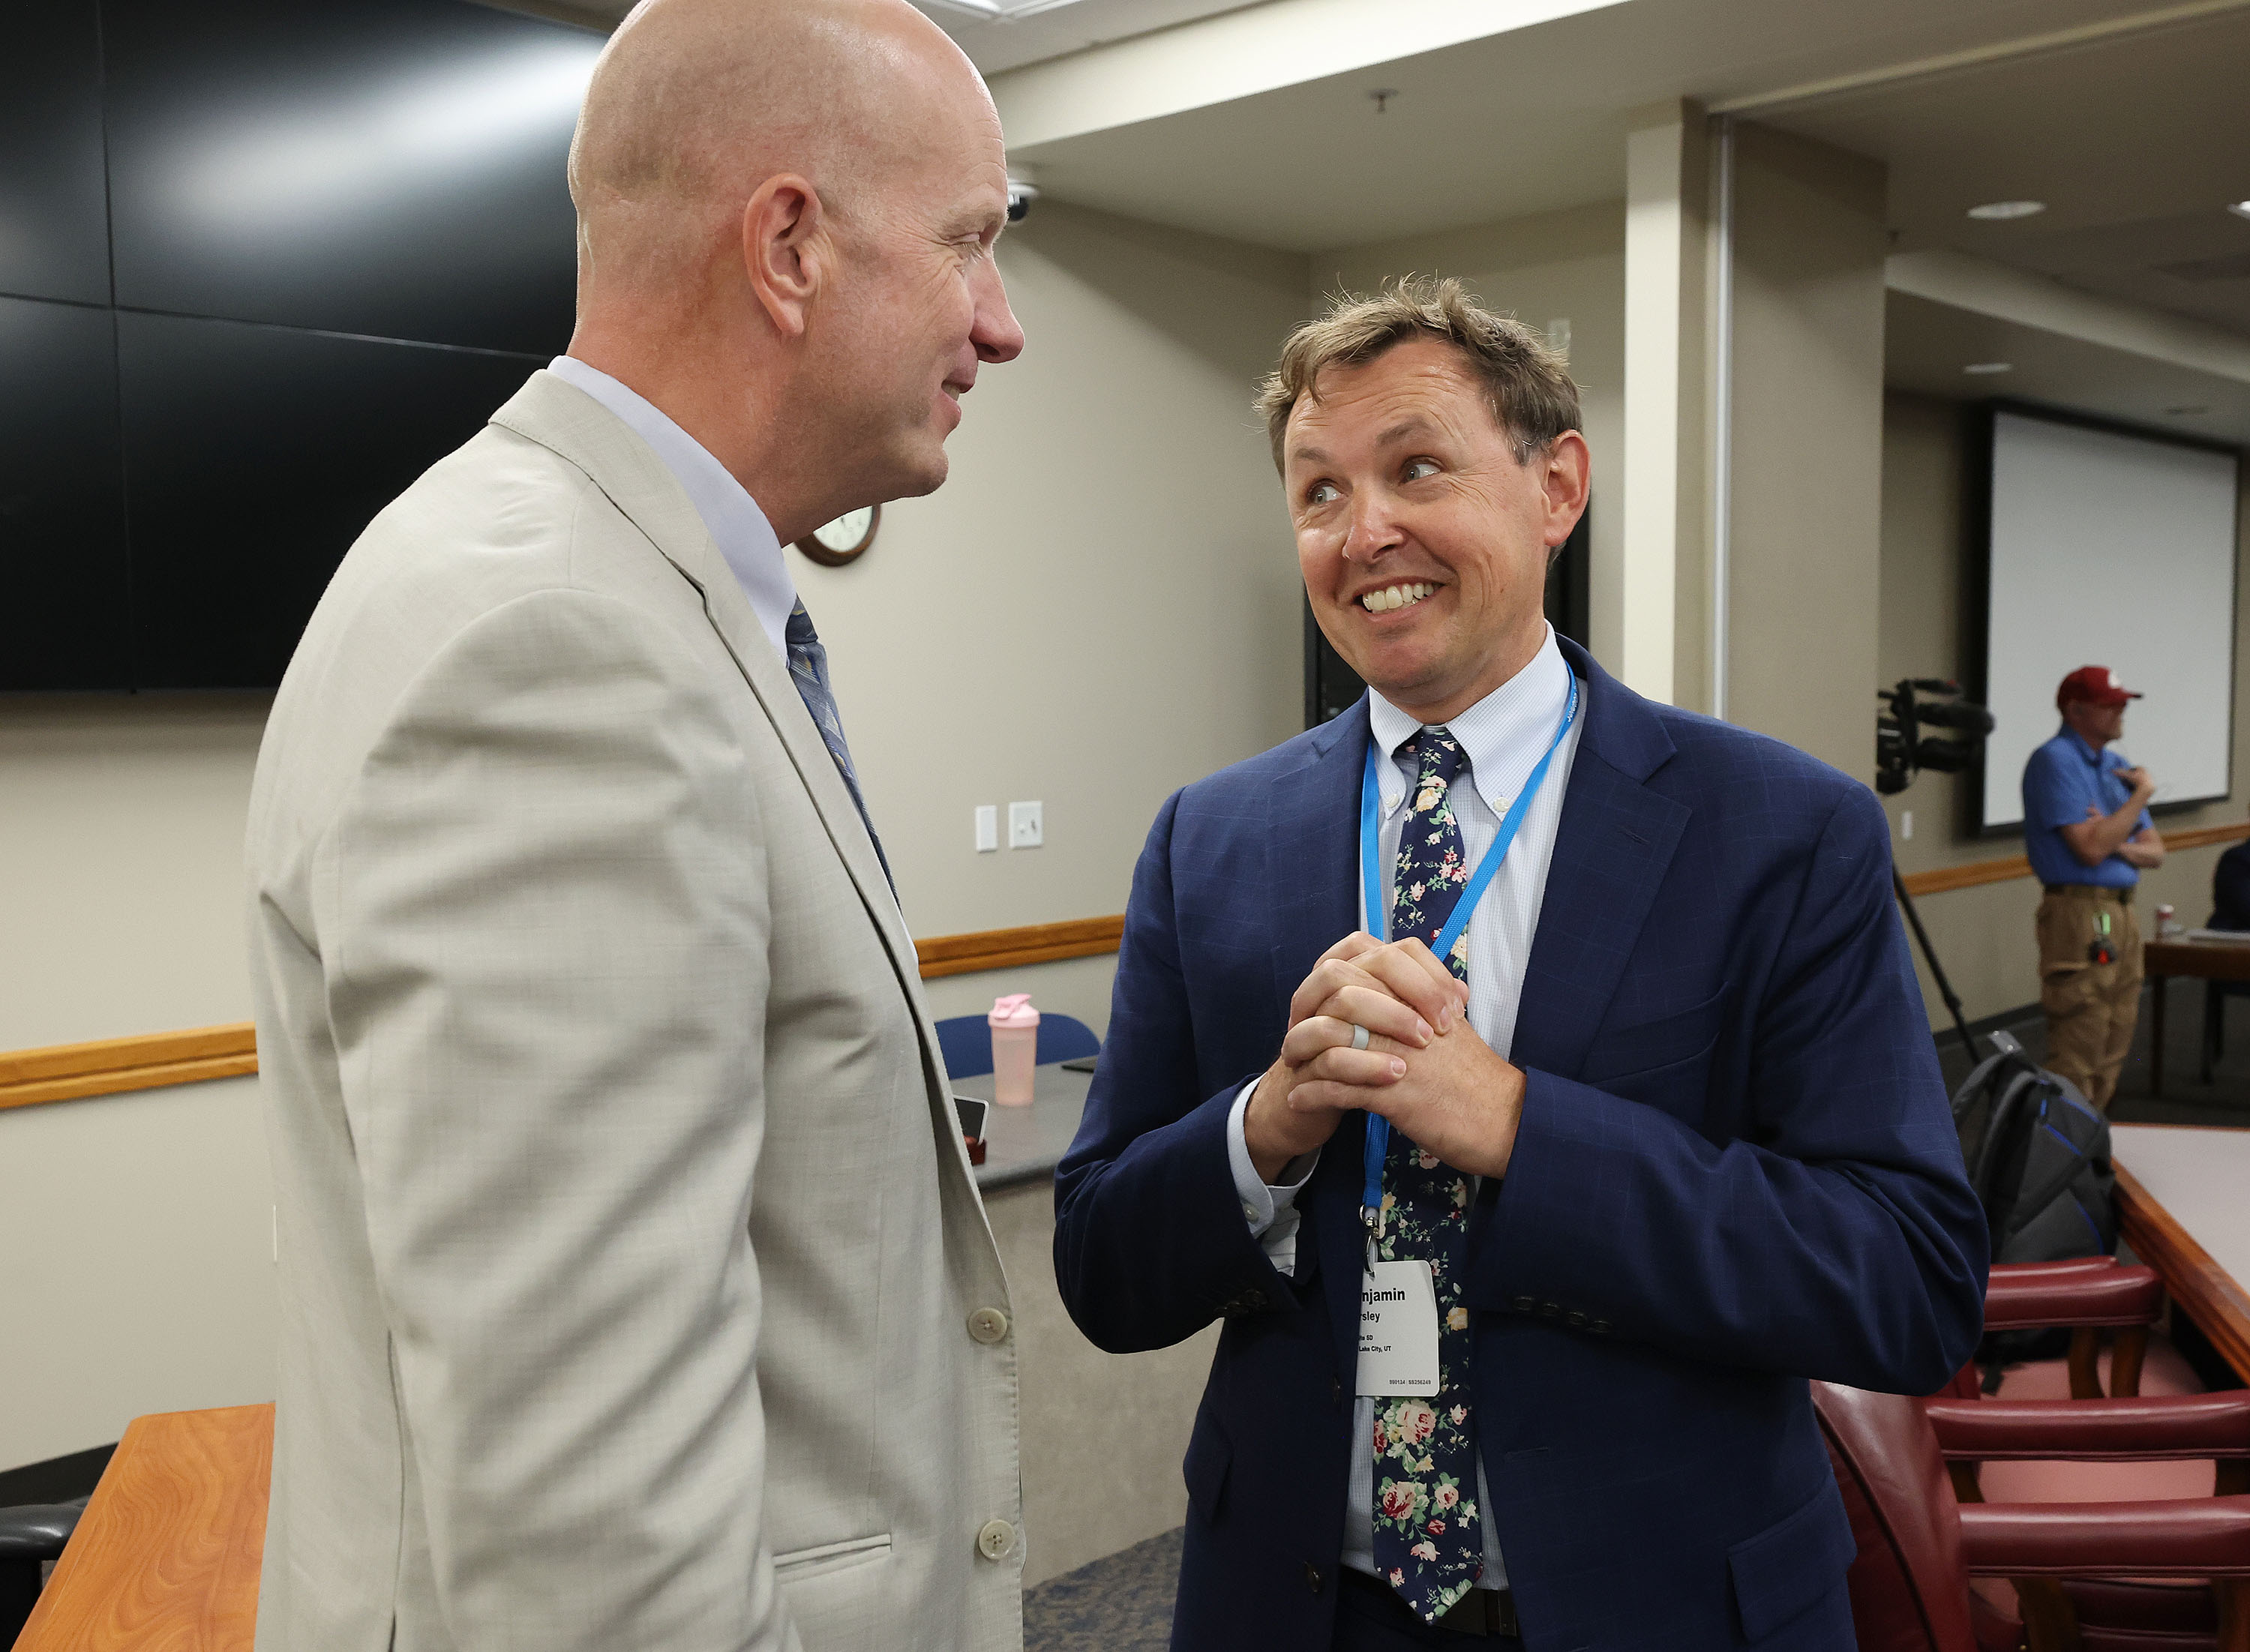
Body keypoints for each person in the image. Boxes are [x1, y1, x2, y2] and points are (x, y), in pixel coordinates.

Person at [244, 2, 1027, 1648]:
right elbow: (593, 1552)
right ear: (791, 248)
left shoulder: (612, 588)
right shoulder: (557, 639)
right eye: (969, 243)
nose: (1000, 322)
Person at [1053, 279, 1985, 1651]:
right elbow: (1101, 1266)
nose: (1364, 531)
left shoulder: (1780, 831)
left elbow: (1904, 1281)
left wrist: (1521, 1129)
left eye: (1416, 467)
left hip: (1664, 1606)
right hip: (1300, 1608)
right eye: (1319, 491)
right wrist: (1266, 1126)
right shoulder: (1211, 839)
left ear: (1558, 488)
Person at [2020, 666, 2167, 1109]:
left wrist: (2112, 838)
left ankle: (2091, 1140)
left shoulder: (2115, 767)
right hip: (2080, 912)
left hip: (2122, 911)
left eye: (2123, 703)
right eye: (2110, 704)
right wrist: (2139, 799)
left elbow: (2155, 852)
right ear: (2075, 709)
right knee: (2081, 1033)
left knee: (2116, 1034)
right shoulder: (2056, 760)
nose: (2121, 711)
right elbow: (2088, 850)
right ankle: (2061, 1143)